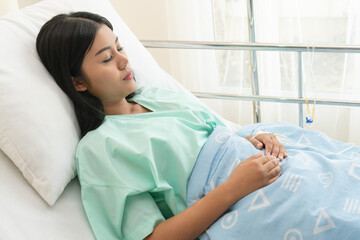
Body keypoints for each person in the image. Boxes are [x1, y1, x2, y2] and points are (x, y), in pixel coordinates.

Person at [36, 12, 286, 240]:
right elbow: (150, 237)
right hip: (243, 199)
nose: (124, 61)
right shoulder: (100, 148)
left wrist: (255, 138)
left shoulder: (156, 96)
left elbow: (221, 136)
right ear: (79, 82)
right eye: (107, 58)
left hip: (264, 169)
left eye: (120, 47)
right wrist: (234, 187)